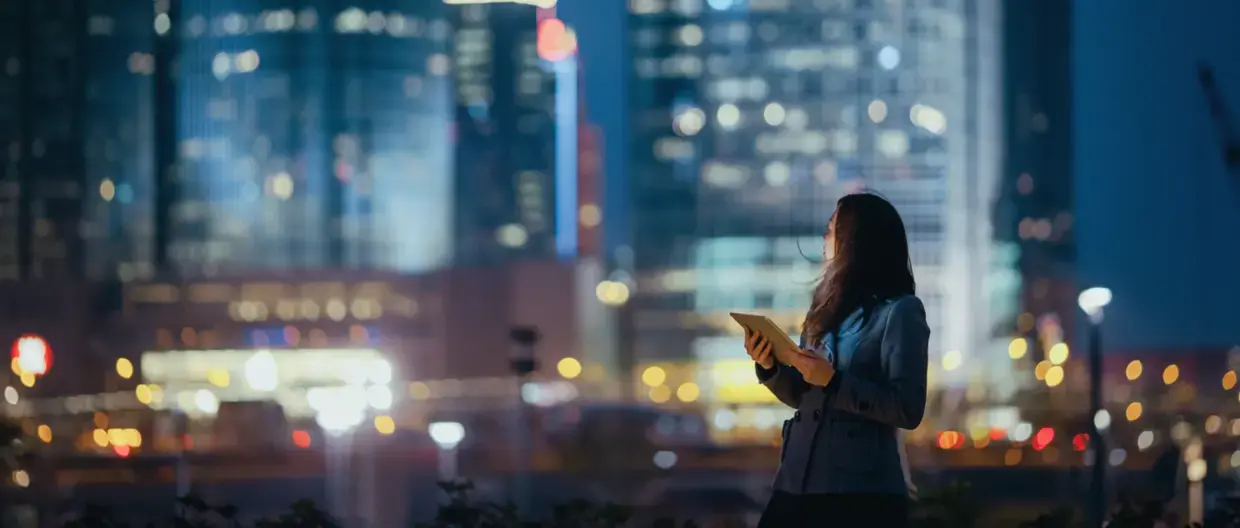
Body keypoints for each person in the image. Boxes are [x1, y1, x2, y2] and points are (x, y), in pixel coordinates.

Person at [744, 192, 929, 527]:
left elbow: (907, 408)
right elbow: (803, 397)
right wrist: (770, 367)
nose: (824, 240)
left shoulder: (900, 312)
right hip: (796, 483)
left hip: (860, 494)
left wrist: (834, 380)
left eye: (832, 230)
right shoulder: (824, 310)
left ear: (856, 241)